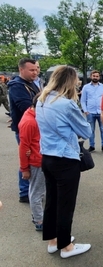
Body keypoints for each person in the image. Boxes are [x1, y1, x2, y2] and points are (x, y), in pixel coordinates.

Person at [36, 65, 92, 258]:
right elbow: (87, 131)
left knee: (52, 201)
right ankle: (66, 246)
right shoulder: (66, 104)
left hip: (47, 157)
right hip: (65, 159)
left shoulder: (41, 100)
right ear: (69, 81)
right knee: (66, 204)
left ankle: (54, 240)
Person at [8, 58, 40, 203]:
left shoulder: (31, 83)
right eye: (32, 70)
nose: (35, 72)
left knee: (32, 158)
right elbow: (26, 106)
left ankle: (31, 189)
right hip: (26, 128)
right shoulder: (17, 86)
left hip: (32, 126)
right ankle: (24, 192)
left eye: (37, 69)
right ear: (21, 69)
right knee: (26, 158)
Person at [18, 94, 45, 231]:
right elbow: (23, 147)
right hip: (36, 162)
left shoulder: (33, 117)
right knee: (36, 193)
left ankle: (39, 217)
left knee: (39, 191)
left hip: (39, 159)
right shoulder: (29, 122)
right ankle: (39, 220)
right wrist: (25, 169)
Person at [81, 70, 103, 153]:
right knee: (91, 130)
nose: (95, 77)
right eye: (94, 76)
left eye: (97, 76)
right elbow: (83, 100)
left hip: (101, 112)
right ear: (91, 76)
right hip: (90, 112)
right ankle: (92, 146)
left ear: (99, 77)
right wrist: (85, 110)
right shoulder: (86, 87)